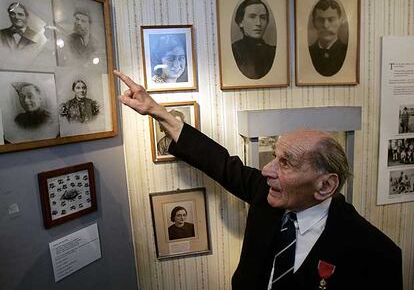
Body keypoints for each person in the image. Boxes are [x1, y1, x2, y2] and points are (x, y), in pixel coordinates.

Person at [114, 70, 403, 290]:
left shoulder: (375, 253)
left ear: (325, 185)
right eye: (274, 156)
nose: (266, 170)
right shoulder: (266, 193)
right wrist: (156, 111)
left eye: (286, 162)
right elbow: (219, 163)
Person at [232, 0, 275, 80]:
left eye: (263, 18)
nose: (258, 23)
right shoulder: (235, 49)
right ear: (241, 22)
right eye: (252, 17)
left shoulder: (273, 51)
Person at [309, 0, 347, 77]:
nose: (326, 26)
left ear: (340, 20)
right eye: (320, 20)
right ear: (314, 22)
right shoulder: (308, 52)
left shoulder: (346, 52)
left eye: (331, 19)